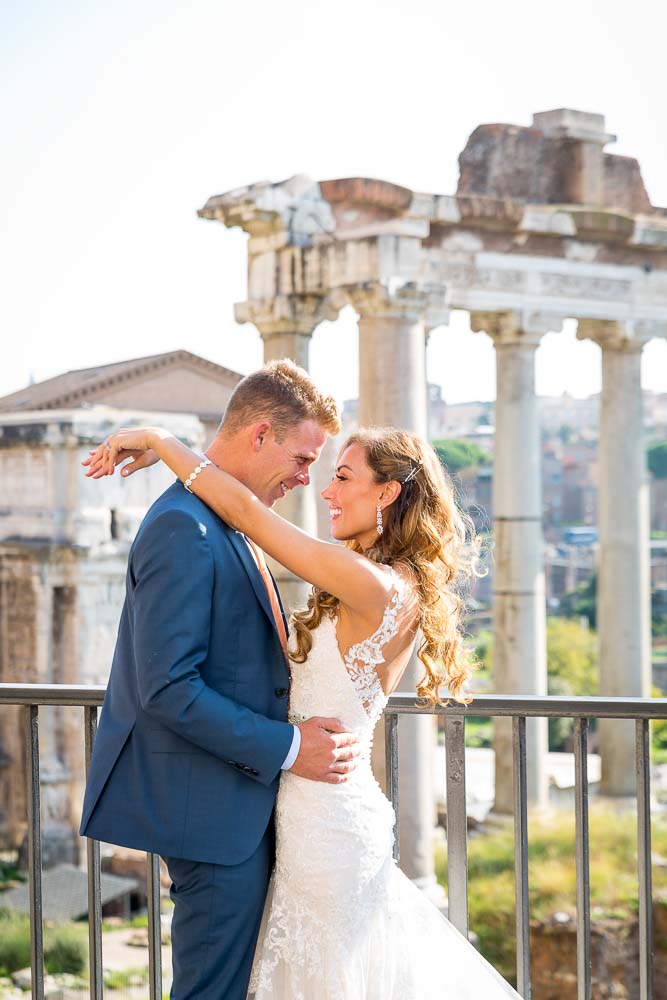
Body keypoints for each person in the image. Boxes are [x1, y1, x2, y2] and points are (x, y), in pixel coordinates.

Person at [85, 419, 520, 999]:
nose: (326, 491)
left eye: (342, 476)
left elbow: (249, 516)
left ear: (387, 493)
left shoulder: (374, 584)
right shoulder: (378, 579)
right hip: (305, 808)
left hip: (326, 819)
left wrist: (163, 443)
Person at [79, 360, 362, 1000]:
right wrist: (291, 749)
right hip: (210, 817)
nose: (305, 477)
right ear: (259, 434)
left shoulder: (228, 519)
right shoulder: (186, 526)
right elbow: (168, 689)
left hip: (236, 806)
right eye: (301, 456)